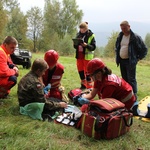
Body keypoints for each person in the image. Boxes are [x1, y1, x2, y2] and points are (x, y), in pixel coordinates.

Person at [115, 20, 148, 100]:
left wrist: (138, 58)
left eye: (124, 28)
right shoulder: (120, 36)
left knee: (131, 79)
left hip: (130, 62)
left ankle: (134, 96)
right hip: (122, 61)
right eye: (122, 28)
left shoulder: (135, 37)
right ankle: (126, 95)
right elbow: (117, 46)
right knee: (124, 79)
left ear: (129, 27)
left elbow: (144, 49)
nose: (123, 30)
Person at [73, 22, 96, 89]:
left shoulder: (91, 35)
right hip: (79, 56)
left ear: (86, 29)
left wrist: (86, 45)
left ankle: (89, 87)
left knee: (88, 72)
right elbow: (75, 47)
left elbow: (93, 47)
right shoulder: (78, 35)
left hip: (87, 57)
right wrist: (75, 44)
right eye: (80, 29)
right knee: (80, 71)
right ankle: (83, 85)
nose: (81, 31)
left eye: (82, 29)